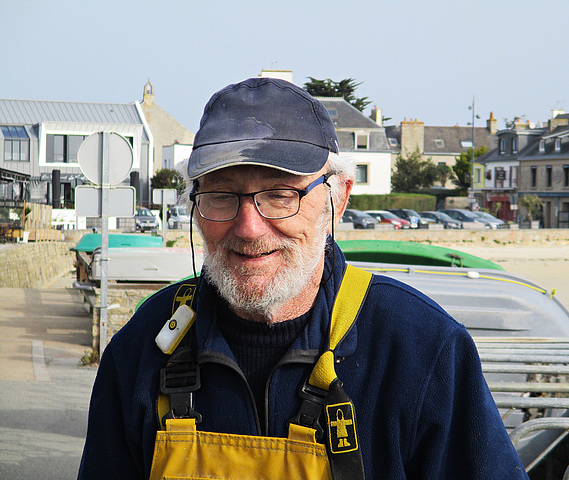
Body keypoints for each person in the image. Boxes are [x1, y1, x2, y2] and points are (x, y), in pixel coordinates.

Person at [78, 77, 528, 479]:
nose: (249, 227)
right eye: (221, 195)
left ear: (339, 199)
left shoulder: (420, 350)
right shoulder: (142, 349)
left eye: (280, 194)